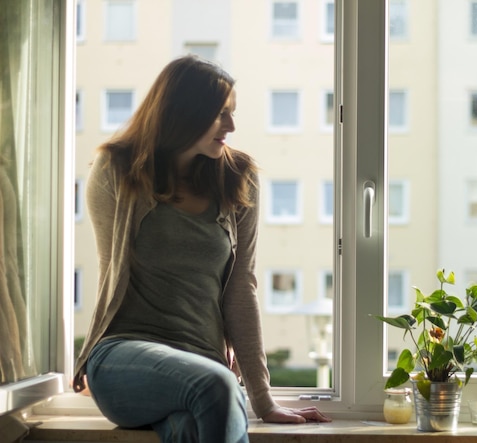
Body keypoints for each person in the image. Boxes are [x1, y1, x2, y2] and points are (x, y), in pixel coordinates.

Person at [72, 55, 331, 443]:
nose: (231, 126)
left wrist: (263, 398)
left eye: (233, 112)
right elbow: (111, 270)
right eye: (220, 113)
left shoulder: (238, 178)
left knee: (193, 428)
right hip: (123, 356)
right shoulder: (116, 169)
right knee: (218, 386)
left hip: (205, 369)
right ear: (182, 113)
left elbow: (242, 289)